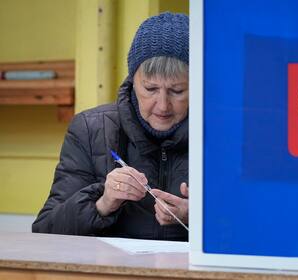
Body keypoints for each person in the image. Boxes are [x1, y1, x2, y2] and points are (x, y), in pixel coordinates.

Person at [32, 12, 189, 241]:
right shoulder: (90, 129)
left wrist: (203, 219)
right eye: (150, 89)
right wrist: (103, 203)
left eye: (177, 91)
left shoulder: (225, 133)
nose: (163, 105)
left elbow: (256, 230)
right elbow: (45, 230)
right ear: (132, 81)